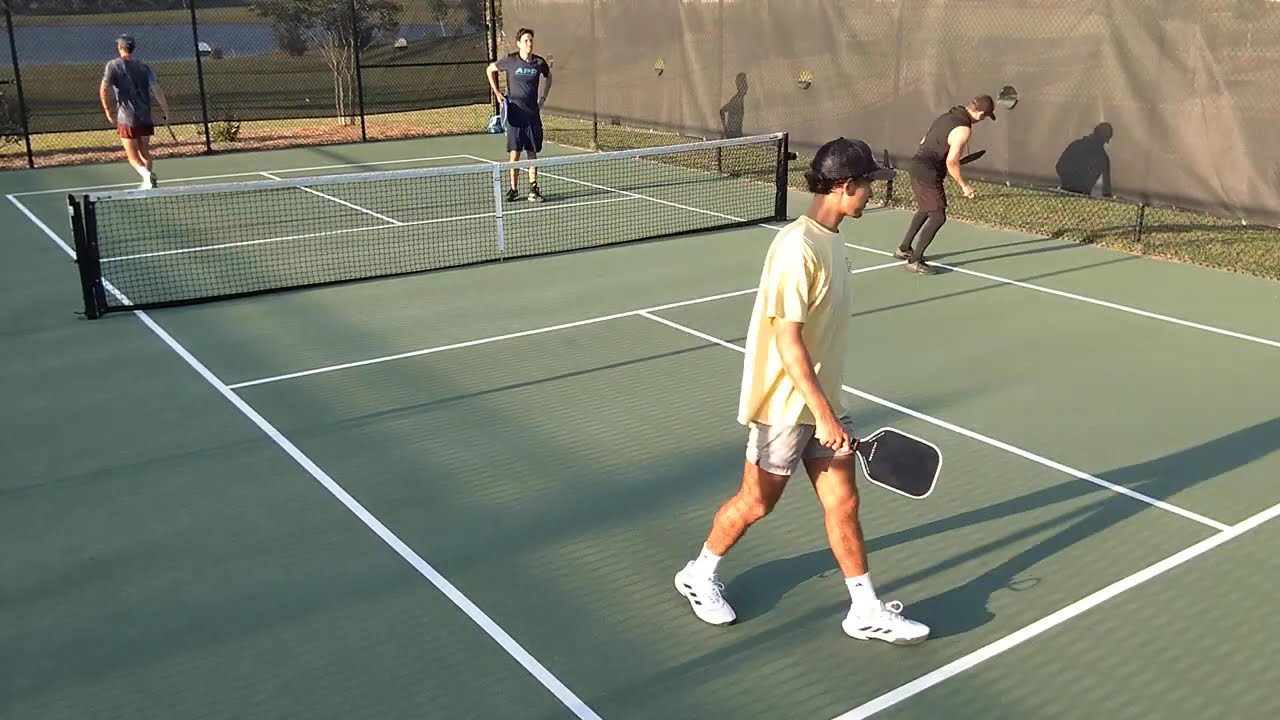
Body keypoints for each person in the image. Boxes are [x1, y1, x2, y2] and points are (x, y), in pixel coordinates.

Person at [674, 137, 931, 646]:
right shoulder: (798, 248)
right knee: (756, 502)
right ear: (844, 185)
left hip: (822, 402)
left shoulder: (832, 239)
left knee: (844, 503)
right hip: (787, 407)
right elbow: (787, 341)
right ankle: (698, 575)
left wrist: (829, 411)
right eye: (867, 187)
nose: (871, 196)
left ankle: (864, 609)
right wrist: (824, 415)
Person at [896, 95, 996, 274]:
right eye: (985, 116)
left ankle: (904, 248)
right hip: (928, 173)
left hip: (916, 165)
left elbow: (924, 141)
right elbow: (952, 162)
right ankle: (914, 260)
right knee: (938, 216)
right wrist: (964, 186)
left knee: (926, 209)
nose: (983, 120)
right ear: (980, 114)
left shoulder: (945, 117)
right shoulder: (964, 130)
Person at [486, 28, 552, 202]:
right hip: (515, 115)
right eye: (525, 41)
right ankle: (514, 189)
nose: (529, 44)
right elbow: (490, 69)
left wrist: (543, 97)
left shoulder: (539, 63)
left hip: (532, 115)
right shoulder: (511, 61)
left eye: (531, 40)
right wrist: (497, 93)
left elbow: (548, 76)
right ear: (518, 44)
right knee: (514, 153)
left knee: (532, 152)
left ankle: (533, 189)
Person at [99, 34, 171, 190]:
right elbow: (156, 89)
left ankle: (146, 177)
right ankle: (148, 182)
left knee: (132, 156)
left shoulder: (113, 65)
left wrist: (107, 110)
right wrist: (165, 109)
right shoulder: (144, 66)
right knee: (145, 152)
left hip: (127, 119)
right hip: (145, 117)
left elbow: (104, 89)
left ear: (120, 48)